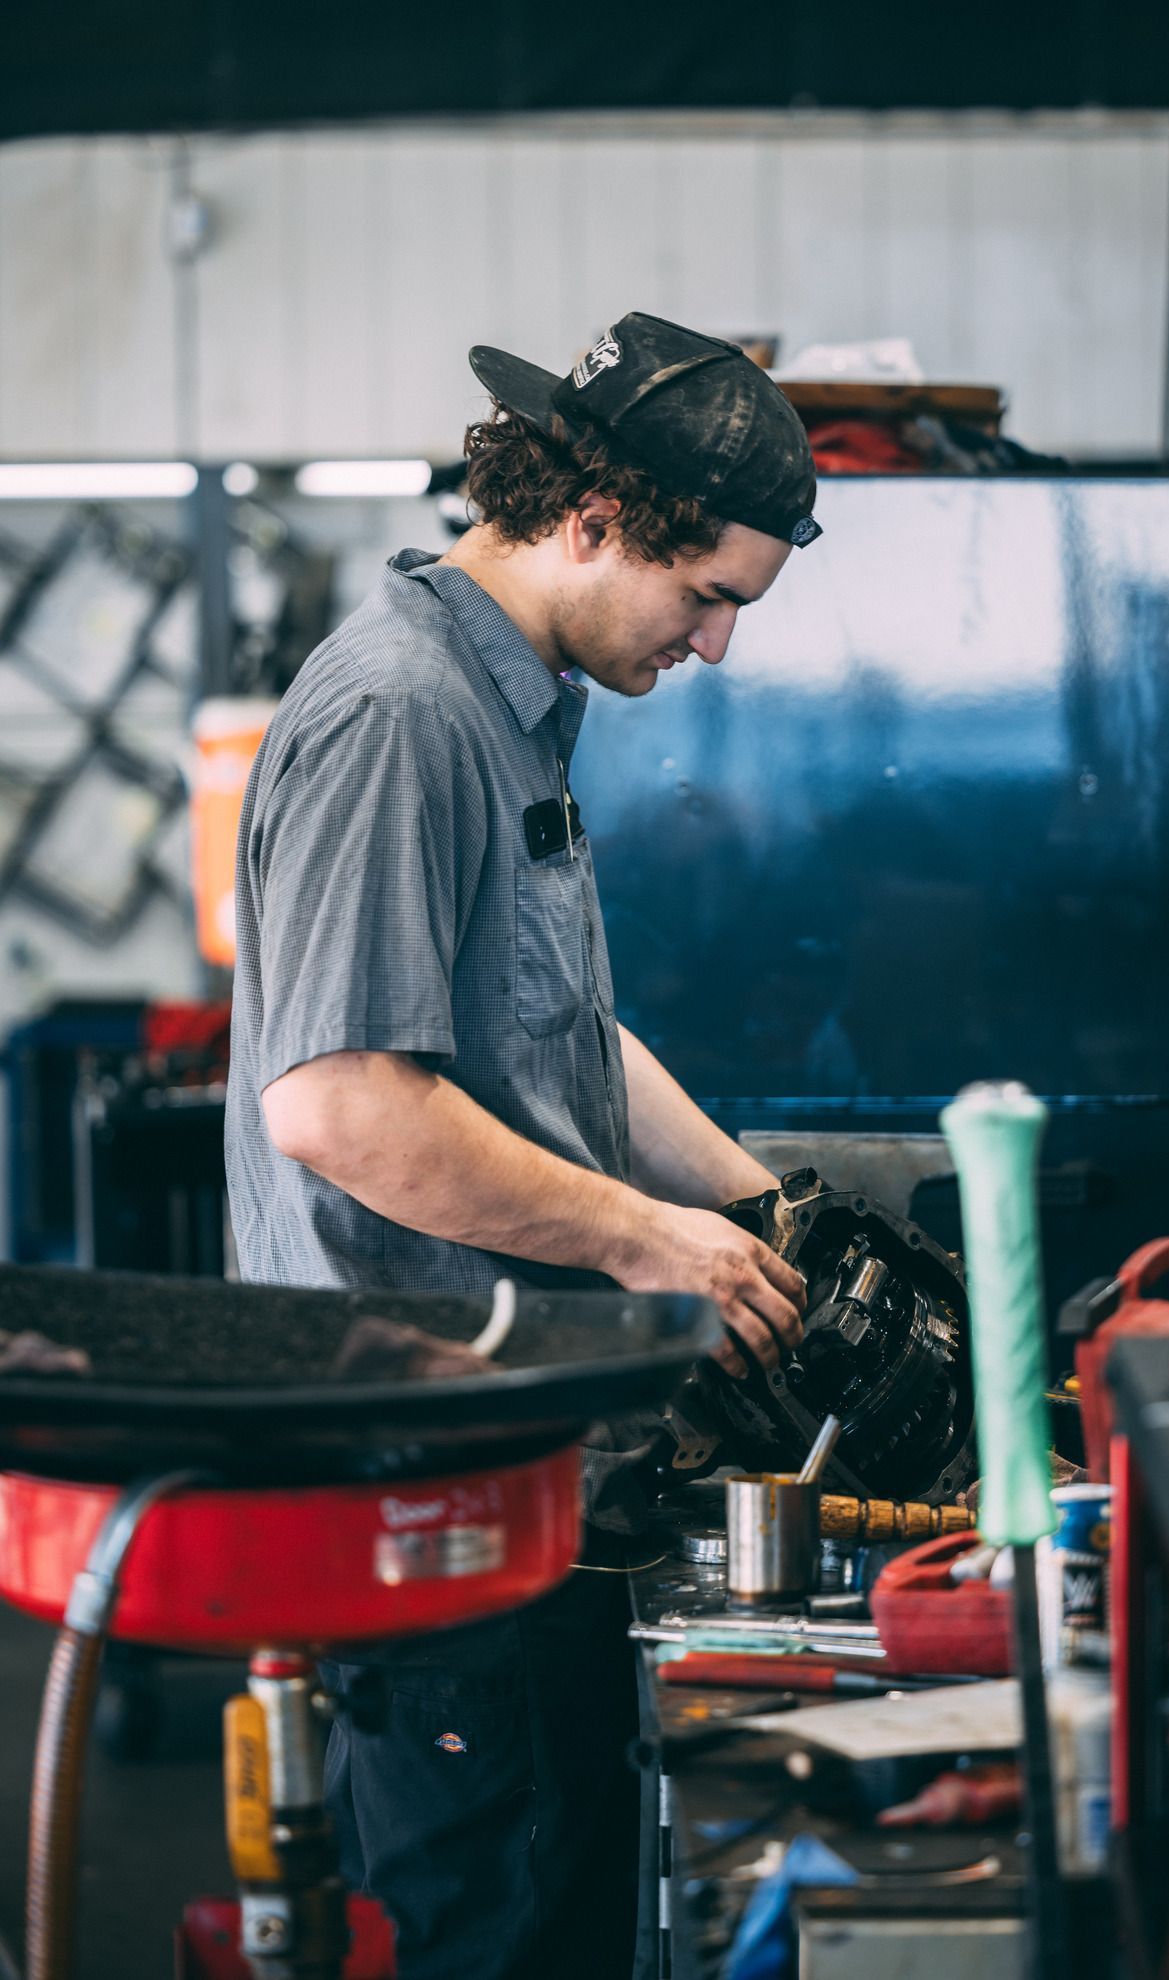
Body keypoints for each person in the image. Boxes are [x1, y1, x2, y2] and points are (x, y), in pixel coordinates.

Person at [223, 311, 824, 1979]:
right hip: (420, 1480)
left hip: (520, 1464)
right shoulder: (403, 718)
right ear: (593, 520)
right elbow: (337, 1103)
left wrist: (758, 1205)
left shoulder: (511, 709)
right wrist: (644, 1240)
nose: (715, 646)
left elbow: (557, 1040)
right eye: (706, 593)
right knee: (500, 1930)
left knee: (557, 1901)